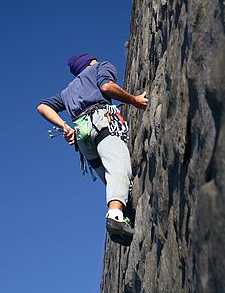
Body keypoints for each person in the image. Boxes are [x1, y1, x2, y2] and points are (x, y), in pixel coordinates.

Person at [37, 53, 148, 244]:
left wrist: (65, 127)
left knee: (109, 178)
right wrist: (134, 100)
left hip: (83, 136)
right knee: (118, 169)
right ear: (90, 62)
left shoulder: (67, 92)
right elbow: (107, 86)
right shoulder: (100, 67)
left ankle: (124, 212)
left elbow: (42, 106)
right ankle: (115, 216)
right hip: (101, 121)